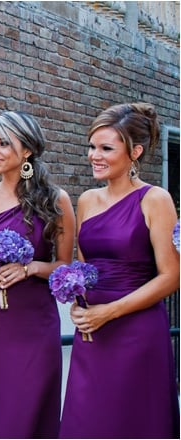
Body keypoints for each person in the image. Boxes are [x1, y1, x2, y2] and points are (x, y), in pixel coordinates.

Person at [60, 103, 180, 439]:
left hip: (136, 332)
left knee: (132, 420)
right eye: (92, 146)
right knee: (88, 421)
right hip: (92, 332)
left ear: (135, 152)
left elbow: (171, 276)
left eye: (106, 148)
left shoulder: (155, 199)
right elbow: (82, 268)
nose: (94, 155)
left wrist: (108, 312)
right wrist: (77, 303)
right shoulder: (86, 200)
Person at [0, 111, 75, 438]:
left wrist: (32, 268)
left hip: (34, 322)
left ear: (27, 151)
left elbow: (65, 265)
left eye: (3, 143)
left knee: (26, 409)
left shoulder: (56, 200)